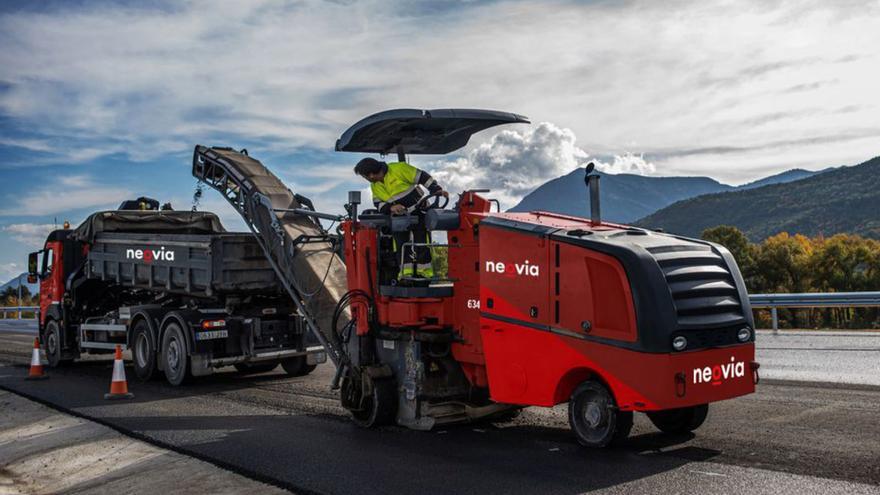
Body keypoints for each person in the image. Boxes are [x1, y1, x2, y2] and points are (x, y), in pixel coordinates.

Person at [354, 157, 449, 281]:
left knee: (421, 241)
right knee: (401, 245)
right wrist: (391, 207)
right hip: (399, 218)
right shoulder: (374, 186)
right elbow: (378, 203)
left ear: (371, 174)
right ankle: (405, 275)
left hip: (419, 211)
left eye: (364, 176)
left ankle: (425, 273)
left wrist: (437, 189)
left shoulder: (399, 168)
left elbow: (423, 177)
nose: (365, 178)